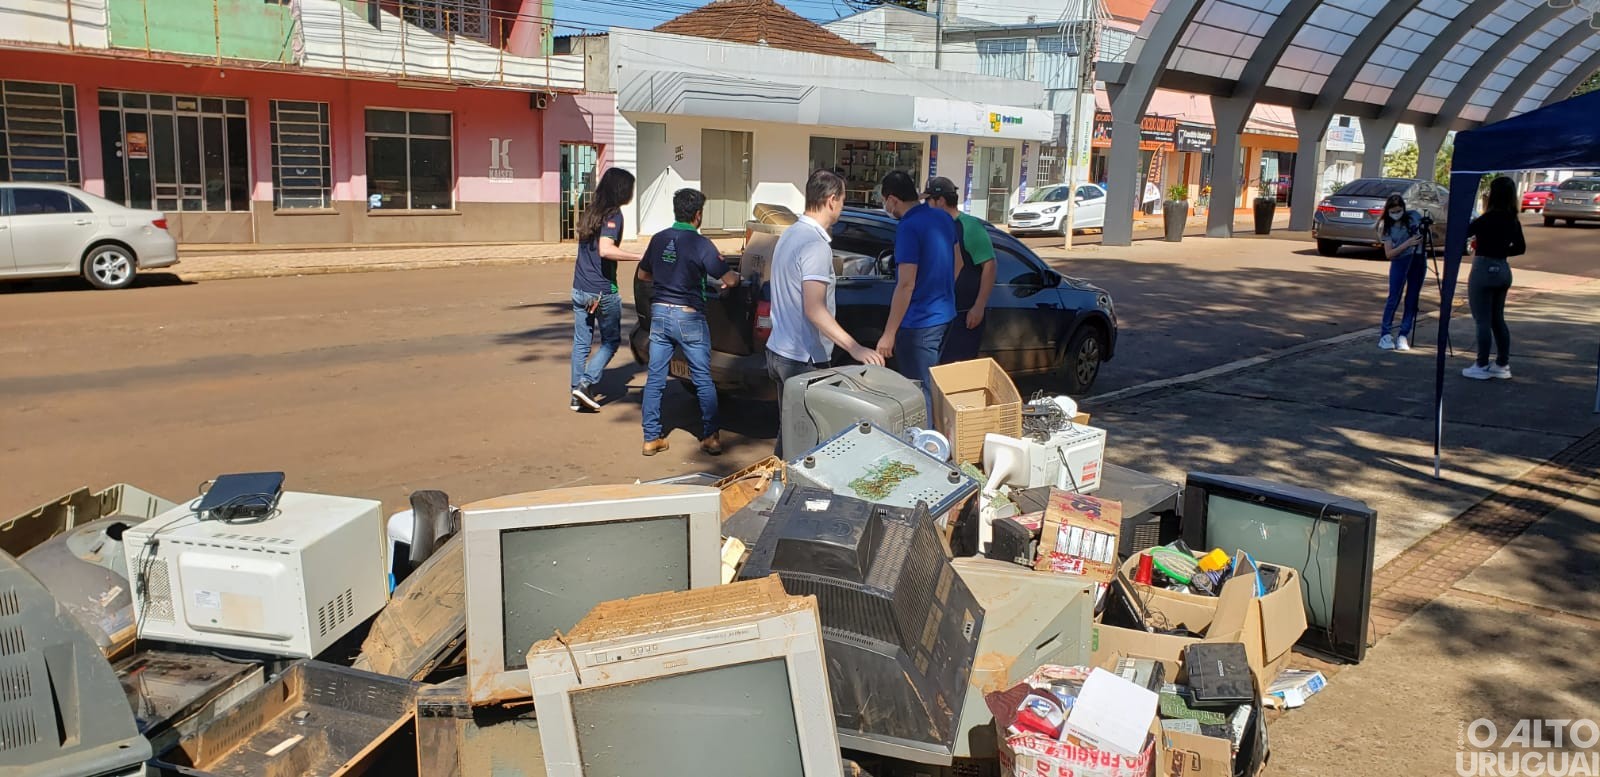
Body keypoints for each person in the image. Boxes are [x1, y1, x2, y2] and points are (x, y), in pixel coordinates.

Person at [766, 170, 885, 457]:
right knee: (808, 444)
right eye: (843, 201)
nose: (842, 208)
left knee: (791, 434)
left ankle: (776, 489)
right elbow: (814, 309)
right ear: (832, 200)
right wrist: (855, 347)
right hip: (802, 358)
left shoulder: (791, 233)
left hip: (779, 351)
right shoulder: (814, 245)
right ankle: (790, 496)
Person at [638, 189, 740, 457]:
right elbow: (729, 280)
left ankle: (651, 438)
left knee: (656, 378)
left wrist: (667, 276)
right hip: (689, 316)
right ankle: (710, 437)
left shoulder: (658, 239)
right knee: (703, 378)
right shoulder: (701, 244)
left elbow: (643, 273)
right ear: (697, 215)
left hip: (660, 313)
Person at [877, 170, 958, 409]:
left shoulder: (908, 227)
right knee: (933, 388)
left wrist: (889, 334)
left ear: (892, 200)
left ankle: (928, 445)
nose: (885, 206)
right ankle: (940, 439)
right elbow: (959, 261)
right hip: (946, 315)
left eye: (884, 201)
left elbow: (906, 284)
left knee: (921, 394)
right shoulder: (942, 218)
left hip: (919, 323)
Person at [570, 168, 643, 412]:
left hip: (580, 288)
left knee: (582, 342)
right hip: (601, 291)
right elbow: (605, 249)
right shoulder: (614, 215)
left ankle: (576, 393)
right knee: (611, 341)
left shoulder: (591, 211)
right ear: (622, 190)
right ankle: (585, 383)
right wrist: (639, 256)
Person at [923, 177, 996, 364]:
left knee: (958, 369)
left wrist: (978, 306)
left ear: (940, 201)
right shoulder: (934, 226)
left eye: (928, 200)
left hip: (964, 313)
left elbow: (989, 265)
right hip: (940, 313)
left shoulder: (970, 227)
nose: (926, 205)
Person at [1461, 176, 1525, 380]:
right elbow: (1521, 248)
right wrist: (1502, 249)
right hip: (1503, 267)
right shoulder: (1512, 220)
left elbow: (1464, 231)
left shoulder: (1486, 218)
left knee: (1482, 319)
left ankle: (1481, 364)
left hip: (1483, 267)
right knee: (1498, 319)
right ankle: (1502, 364)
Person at [1376, 193, 1429, 351]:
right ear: (1388, 211)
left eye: (1399, 210)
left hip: (1418, 259)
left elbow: (1424, 232)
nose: (1396, 214)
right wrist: (1407, 244)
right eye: (1393, 211)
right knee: (1394, 297)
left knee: (1412, 299)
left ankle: (1403, 335)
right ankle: (1385, 334)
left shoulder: (1413, 216)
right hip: (1400, 261)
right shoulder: (1385, 226)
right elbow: (1389, 254)